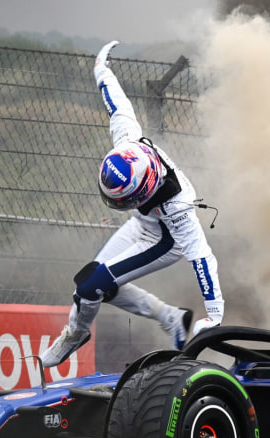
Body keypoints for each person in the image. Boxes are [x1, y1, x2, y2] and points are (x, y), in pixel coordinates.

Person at [38, 40, 225, 368]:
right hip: (142, 224)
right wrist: (101, 68)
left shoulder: (179, 208)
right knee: (95, 285)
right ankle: (170, 317)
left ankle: (77, 332)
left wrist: (214, 316)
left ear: (142, 191)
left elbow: (203, 259)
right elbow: (117, 104)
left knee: (91, 286)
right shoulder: (129, 142)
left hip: (164, 241)